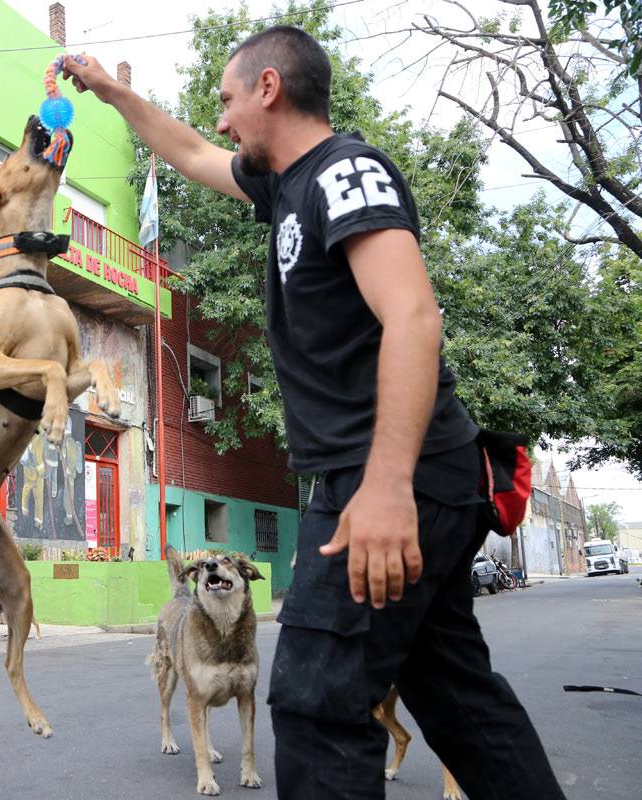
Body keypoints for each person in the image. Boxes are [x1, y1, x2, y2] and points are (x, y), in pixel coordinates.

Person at [64, 26, 565, 799]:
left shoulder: (346, 172)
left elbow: (414, 319)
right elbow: (194, 155)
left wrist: (388, 485)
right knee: (459, 701)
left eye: (228, 101)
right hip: (400, 479)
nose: (222, 121)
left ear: (270, 88)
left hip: (387, 481)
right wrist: (116, 92)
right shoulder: (283, 187)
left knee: (313, 705)